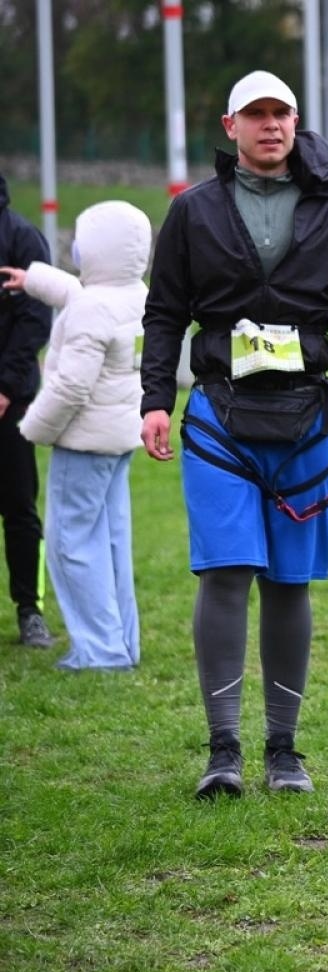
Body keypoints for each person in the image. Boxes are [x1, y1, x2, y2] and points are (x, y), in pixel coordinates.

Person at [141, 70, 328, 799]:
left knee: (288, 582)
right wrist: (155, 399)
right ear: (231, 127)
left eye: (281, 112)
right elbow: (165, 312)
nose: (271, 124)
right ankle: (223, 752)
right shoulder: (193, 210)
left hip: (307, 416)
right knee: (224, 574)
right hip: (219, 417)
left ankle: (284, 753)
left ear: (296, 120)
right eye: (256, 114)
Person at [2, 200, 151, 671]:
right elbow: (84, 296)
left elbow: (70, 387)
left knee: (72, 546)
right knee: (112, 543)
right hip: (118, 439)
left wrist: (32, 428)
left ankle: (99, 651)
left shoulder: (92, 309)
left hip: (84, 442)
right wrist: (33, 279)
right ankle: (122, 642)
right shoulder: (136, 295)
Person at [0, 170, 55, 651]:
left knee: (19, 508)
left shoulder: (20, 236)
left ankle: (29, 611)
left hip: (9, 403)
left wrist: (5, 387)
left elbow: (35, 318)